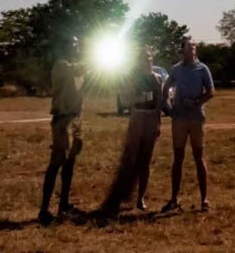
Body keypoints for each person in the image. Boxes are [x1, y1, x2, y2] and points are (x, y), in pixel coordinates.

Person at [97, 48, 166, 216]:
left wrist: (158, 123)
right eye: (143, 58)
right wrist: (140, 98)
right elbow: (127, 99)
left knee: (146, 160)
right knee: (131, 158)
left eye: (148, 57)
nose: (146, 61)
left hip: (150, 118)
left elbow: (159, 103)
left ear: (152, 59)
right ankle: (121, 195)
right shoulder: (133, 78)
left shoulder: (157, 79)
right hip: (137, 117)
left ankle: (141, 197)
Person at [161, 36, 215, 212]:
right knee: (178, 158)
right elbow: (165, 89)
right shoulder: (176, 70)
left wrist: (197, 101)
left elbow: (211, 92)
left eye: (194, 46)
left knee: (199, 157)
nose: (192, 48)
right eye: (189, 46)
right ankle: (174, 198)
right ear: (182, 50)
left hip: (196, 118)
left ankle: (204, 199)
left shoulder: (203, 69)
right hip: (179, 120)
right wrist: (169, 108)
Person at [39, 36, 86, 224]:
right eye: (72, 44)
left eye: (77, 44)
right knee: (56, 163)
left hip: (75, 118)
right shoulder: (62, 65)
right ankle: (44, 209)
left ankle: (64, 203)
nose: (76, 47)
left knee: (70, 162)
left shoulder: (77, 68)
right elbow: (79, 69)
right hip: (63, 119)